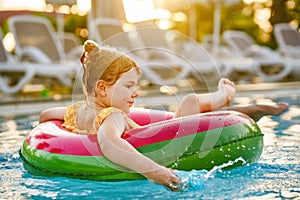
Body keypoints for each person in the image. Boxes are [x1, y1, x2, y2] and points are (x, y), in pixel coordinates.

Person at [39, 40, 288, 191]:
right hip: (167, 147)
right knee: (190, 101)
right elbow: (110, 143)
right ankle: (225, 96)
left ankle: (230, 104)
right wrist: (155, 172)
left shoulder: (76, 111)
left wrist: (47, 130)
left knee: (189, 106)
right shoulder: (112, 115)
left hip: (157, 136)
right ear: (103, 88)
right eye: (128, 86)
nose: (135, 93)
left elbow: (47, 115)